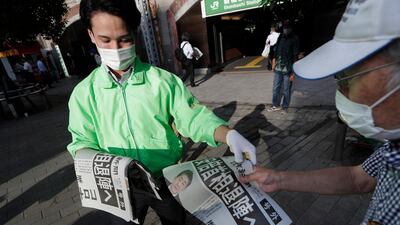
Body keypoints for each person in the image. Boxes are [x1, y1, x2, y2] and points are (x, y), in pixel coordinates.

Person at [67, 0, 256, 224]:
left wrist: (228, 134)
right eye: (105, 40)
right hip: (120, 187)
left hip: (167, 178)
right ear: (91, 35)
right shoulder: (84, 94)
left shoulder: (163, 81)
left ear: (135, 34)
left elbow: (192, 117)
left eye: (124, 39)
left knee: (175, 221)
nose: (116, 50)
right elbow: (82, 142)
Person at [240, 0, 400, 224]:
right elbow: (358, 179)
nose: (341, 92)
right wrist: (278, 178)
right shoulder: (392, 147)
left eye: (350, 75)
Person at [267, 21, 299, 113]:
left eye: (287, 27)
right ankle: (275, 105)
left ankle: (285, 107)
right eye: (284, 27)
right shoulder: (280, 37)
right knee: (275, 89)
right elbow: (276, 51)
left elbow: (295, 56)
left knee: (286, 90)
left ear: (291, 28)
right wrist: (273, 62)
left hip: (288, 70)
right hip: (278, 68)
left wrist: (293, 72)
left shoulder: (294, 39)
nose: (286, 29)